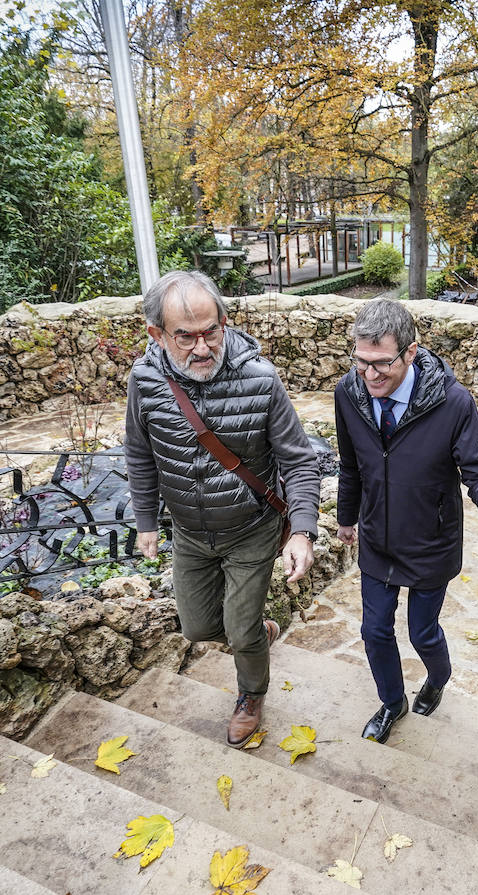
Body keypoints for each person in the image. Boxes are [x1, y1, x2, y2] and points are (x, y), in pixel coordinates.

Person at [124, 270, 320, 749]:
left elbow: (299, 460)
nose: (202, 347)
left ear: (224, 322)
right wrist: (146, 520)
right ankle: (258, 631)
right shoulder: (144, 381)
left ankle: (251, 694)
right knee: (196, 627)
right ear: (157, 334)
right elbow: (139, 453)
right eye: (185, 337)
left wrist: (301, 530)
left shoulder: (261, 379)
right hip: (190, 533)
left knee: (240, 631)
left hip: (251, 528)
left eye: (211, 331)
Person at [335, 299, 478, 744]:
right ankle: (392, 702)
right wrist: (346, 517)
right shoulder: (348, 391)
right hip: (377, 538)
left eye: (381, 364)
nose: (369, 375)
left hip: (430, 542)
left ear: (411, 352)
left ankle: (438, 677)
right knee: (374, 631)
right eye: (361, 361)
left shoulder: (453, 403)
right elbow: (349, 464)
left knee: (422, 633)